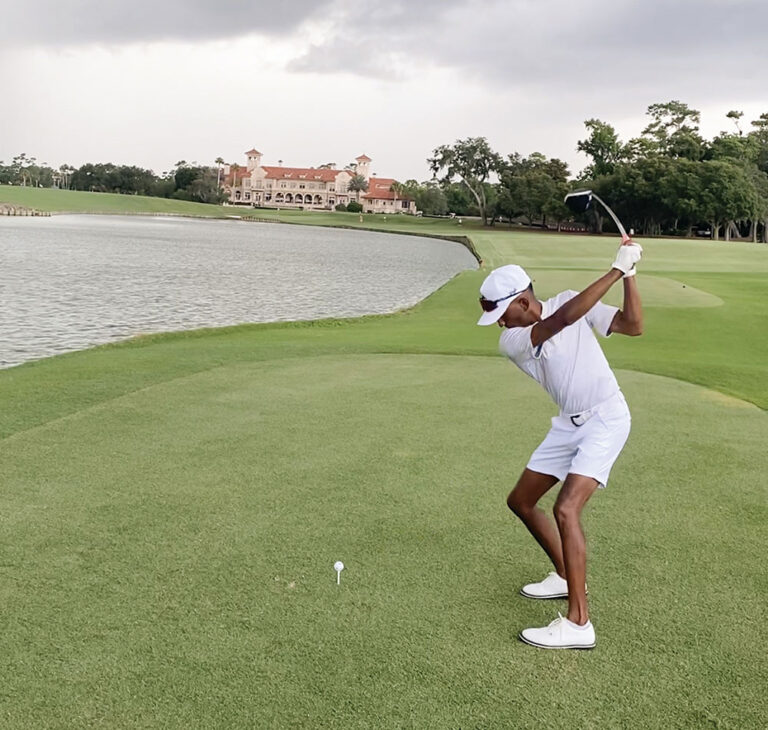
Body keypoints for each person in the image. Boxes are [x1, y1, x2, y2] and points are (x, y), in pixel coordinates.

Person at [477, 242, 643, 649]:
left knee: (566, 508)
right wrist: (615, 270)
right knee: (521, 500)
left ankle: (579, 622)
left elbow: (632, 325)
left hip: (606, 417)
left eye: (501, 314)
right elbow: (562, 321)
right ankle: (565, 575)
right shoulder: (514, 340)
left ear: (521, 302)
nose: (499, 324)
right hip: (569, 424)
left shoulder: (571, 301)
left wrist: (631, 275)